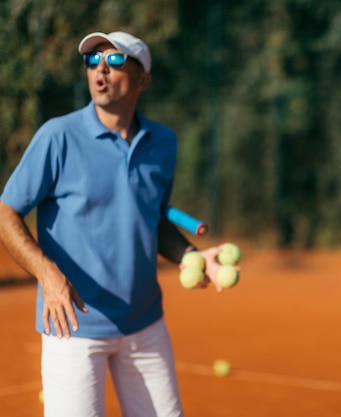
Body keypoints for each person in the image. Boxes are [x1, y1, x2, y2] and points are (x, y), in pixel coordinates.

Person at [0, 31, 227, 417]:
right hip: (73, 327)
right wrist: (47, 274)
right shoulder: (58, 137)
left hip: (145, 325)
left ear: (143, 79)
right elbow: (6, 212)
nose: (101, 68)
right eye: (93, 60)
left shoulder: (164, 143)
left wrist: (193, 256)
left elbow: (151, 219)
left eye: (116, 60)